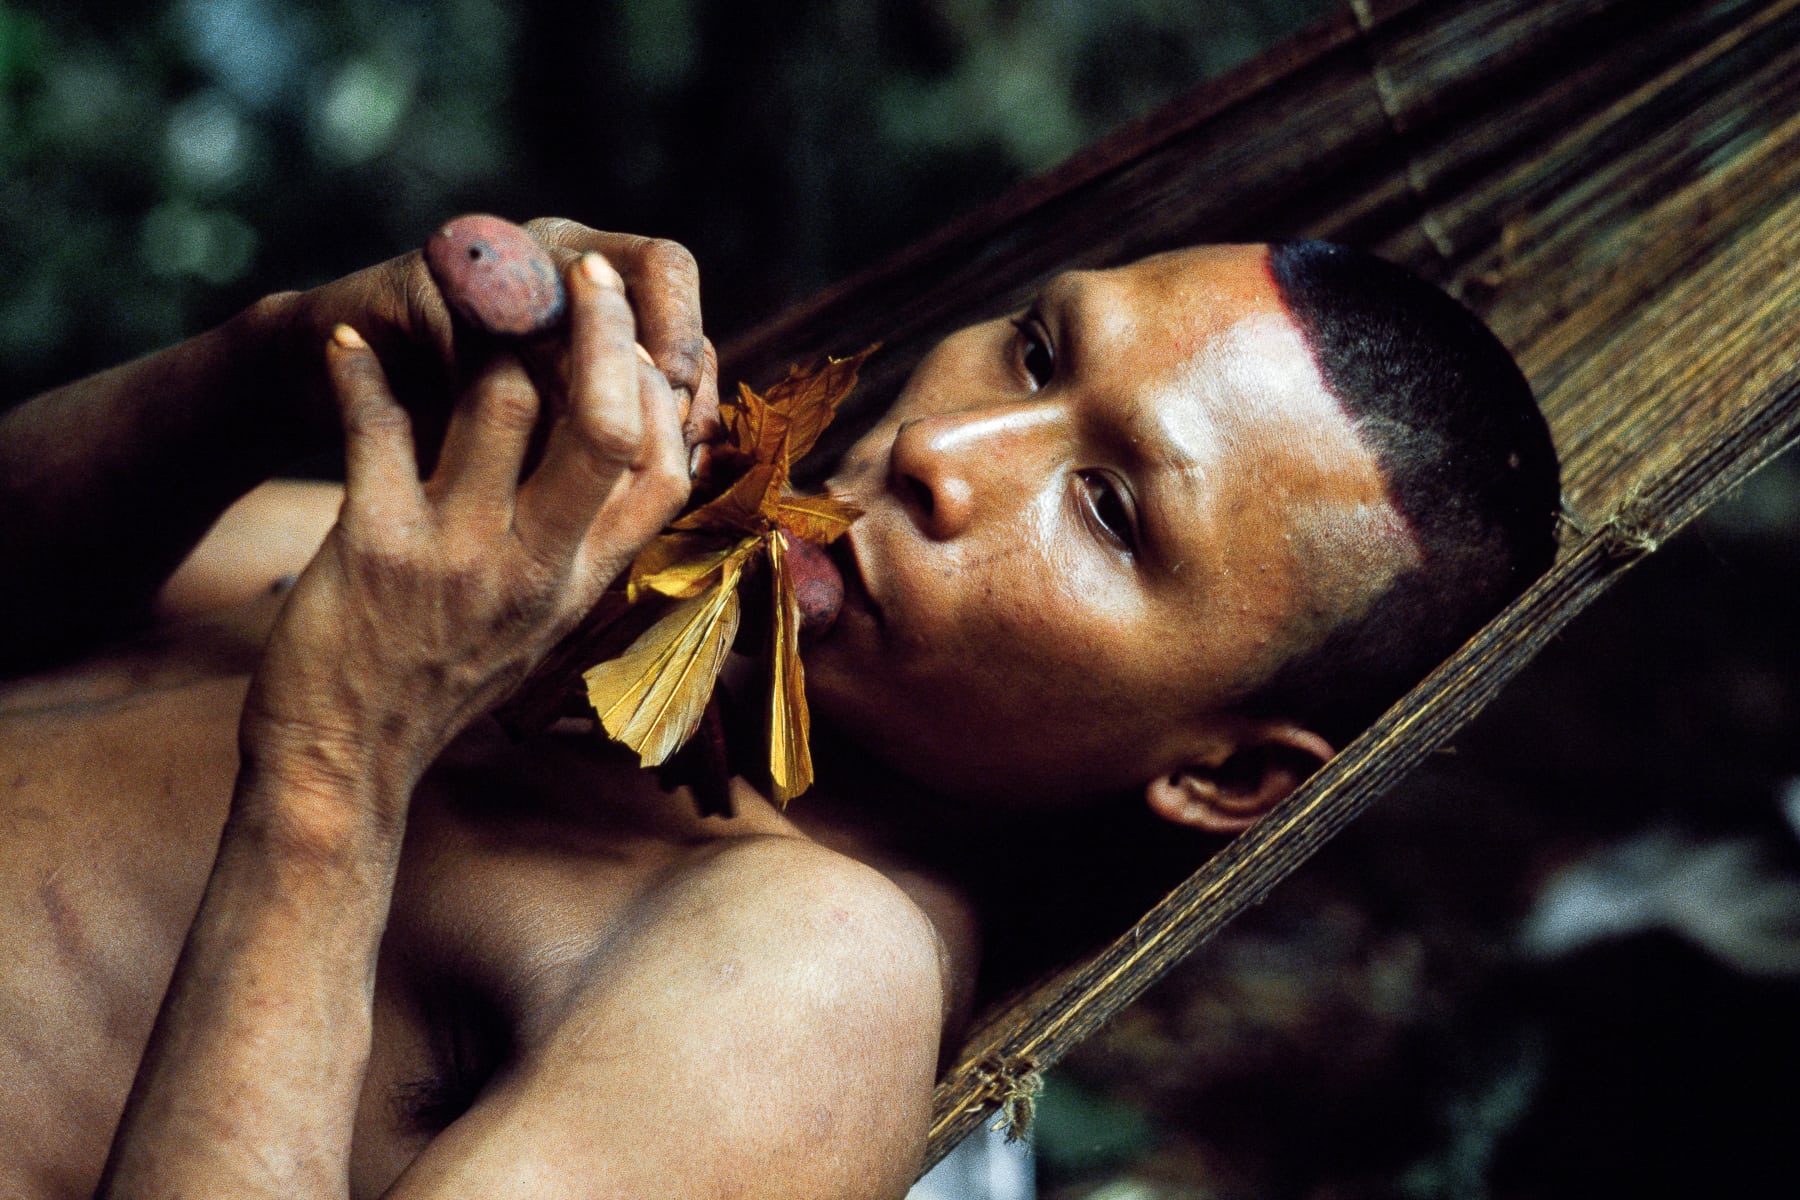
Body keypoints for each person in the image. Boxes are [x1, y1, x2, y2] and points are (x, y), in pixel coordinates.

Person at [0, 220, 1557, 1199]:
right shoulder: (537, 580)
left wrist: (339, 768)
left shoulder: (802, 978)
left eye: (1106, 512)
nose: (956, 450)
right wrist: (275, 365)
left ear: (1223, 773)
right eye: (1033, 348)